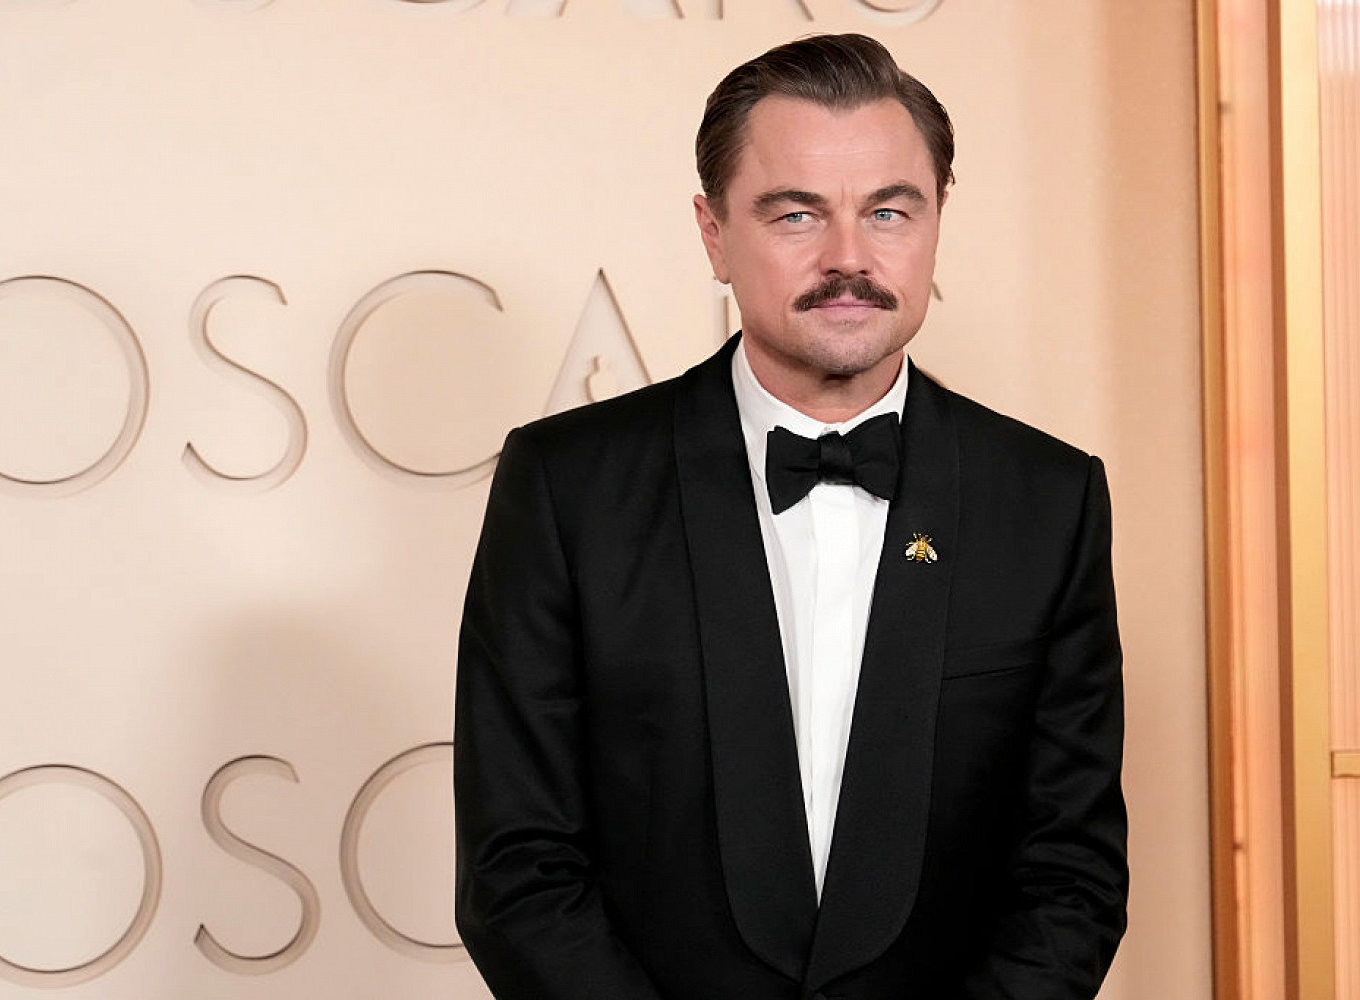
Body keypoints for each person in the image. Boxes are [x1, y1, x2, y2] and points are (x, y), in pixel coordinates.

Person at [454, 33, 1126, 1000]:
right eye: (797, 213)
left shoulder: (1050, 499)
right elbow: (515, 868)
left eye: (889, 211)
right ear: (714, 233)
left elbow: (1072, 875)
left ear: (936, 222)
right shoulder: (567, 487)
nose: (848, 258)